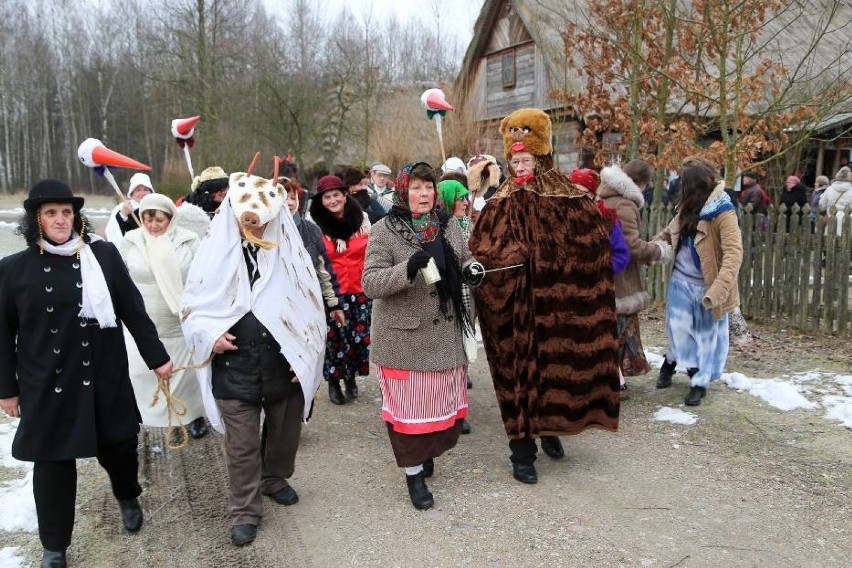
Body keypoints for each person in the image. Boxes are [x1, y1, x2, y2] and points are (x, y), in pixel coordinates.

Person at [0, 180, 174, 568]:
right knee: (52, 465)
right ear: (35, 220)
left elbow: (133, 310)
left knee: (120, 450)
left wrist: (157, 357)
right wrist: (7, 391)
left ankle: (127, 494)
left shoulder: (105, 256)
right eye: (50, 213)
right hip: (46, 384)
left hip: (103, 376)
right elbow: (2, 336)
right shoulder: (13, 270)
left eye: (66, 212)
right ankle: (54, 546)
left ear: (76, 217)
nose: (60, 220)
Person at [469, 108, 621, 485]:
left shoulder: (568, 198)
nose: (521, 166)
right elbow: (482, 250)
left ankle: (552, 428)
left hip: (557, 307)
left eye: (527, 159)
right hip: (515, 307)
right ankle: (522, 452)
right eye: (515, 160)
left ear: (542, 157)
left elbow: (591, 245)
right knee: (518, 376)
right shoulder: (499, 203)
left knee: (556, 371)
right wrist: (511, 260)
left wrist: (554, 261)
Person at [181, 166, 325, 547]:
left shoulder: (292, 258)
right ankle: (244, 510)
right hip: (235, 370)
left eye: (264, 222)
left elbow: (311, 310)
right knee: (242, 447)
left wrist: (305, 358)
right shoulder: (212, 258)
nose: (257, 229)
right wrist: (211, 335)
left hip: (282, 366)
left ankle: (274, 478)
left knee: (283, 436)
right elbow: (192, 310)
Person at [362, 162, 475, 510]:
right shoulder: (385, 230)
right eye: (416, 188)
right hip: (404, 340)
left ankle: (427, 454)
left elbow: (464, 257)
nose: (423, 194)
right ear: (402, 192)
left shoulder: (448, 224)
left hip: (443, 336)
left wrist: (472, 268)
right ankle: (414, 476)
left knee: (438, 410)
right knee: (409, 415)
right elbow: (370, 283)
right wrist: (405, 269)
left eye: (429, 187)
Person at [119, 194, 209, 442]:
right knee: (141, 373)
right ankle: (152, 416)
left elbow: (203, 276)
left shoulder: (189, 241)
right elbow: (120, 277)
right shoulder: (132, 241)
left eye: (159, 220)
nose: (153, 226)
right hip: (143, 320)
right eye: (148, 219)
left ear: (171, 218)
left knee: (185, 374)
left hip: (179, 320)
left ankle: (190, 416)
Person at [653, 164, 743, 406]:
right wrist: (648, 250)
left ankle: (699, 383)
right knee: (678, 330)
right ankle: (674, 364)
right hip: (680, 281)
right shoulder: (687, 207)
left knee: (706, 338)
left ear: (694, 187)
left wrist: (719, 289)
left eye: (684, 185)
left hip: (708, 287)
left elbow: (734, 253)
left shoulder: (724, 211)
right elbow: (668, 233)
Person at [582, 164, 666, 394]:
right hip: (620, 278)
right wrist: (659, 251)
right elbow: (631, 245)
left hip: (604, 274)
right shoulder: (625, 204)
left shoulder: (605, 197)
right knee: (619, 331)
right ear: (641, 183)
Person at [308, 175, 372, 405]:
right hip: (332, 293)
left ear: (345, 195)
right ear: (321, 200)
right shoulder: (314, 227)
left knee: (358, 339)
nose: (333, 200)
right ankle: (334, 382)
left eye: (337, 194)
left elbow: (371, 254)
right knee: (335, 341)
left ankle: (350, 377)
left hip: (359, 290)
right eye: (328, 196)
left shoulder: (363, 221)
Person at [438, 175, 475, 433]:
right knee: (445, 353)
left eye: (465, 197)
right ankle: (443, 407)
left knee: (462, 352)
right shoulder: (437, 226)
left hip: (466, 294)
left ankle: (459, 409)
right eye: (460, 197)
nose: (464, 202)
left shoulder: (467, 223)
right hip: (445, 295)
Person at [283, 179, 346, 328]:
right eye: (284, 198)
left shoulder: (311, 230)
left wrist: (334, 305)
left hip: (306, 305)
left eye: (293, 198)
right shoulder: (263, 233)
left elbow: (324, 271)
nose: (290, 203)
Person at [104, 172, 154, 242]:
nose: (142, 193)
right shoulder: (121, 208)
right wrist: (123, 215)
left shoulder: (156, 208)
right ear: (132, 193)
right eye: (138, 190)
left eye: (145, 190)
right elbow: (115, 232)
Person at [818, 166, 852, 235]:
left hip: (831, 219)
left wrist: (824, 212)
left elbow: (821, 205)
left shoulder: (829, 189)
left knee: (830, 241)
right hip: (848, 220)